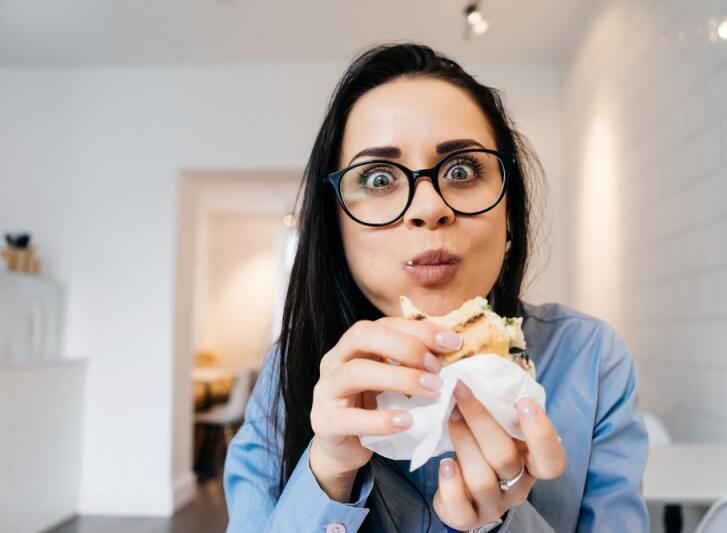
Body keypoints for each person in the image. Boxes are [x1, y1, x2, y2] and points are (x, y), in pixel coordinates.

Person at [223, 42, 649, 533]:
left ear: (509, 211)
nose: (428, 207)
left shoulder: (589, 361)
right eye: (379, 178)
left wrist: (501, 525)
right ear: (336, 227)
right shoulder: (288, 373)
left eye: (463, 171)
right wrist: (326, 472)